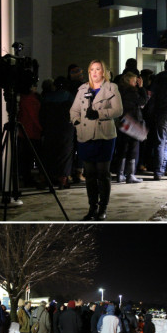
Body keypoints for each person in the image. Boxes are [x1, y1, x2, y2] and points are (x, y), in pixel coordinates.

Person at [70, 59, 123, 221]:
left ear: (103, 71)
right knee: (90, 174)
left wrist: (100, 114)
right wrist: (77, 123)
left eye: (98, 69)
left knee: (103, 173)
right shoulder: (82, 89)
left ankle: (103, 208)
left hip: (104, 135)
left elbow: (118, 110)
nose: (94, 72)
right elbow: (74, 110)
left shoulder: (111, 88)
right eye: (92, 69)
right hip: (85, 135)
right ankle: (92, 207)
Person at [39, 76, 75, 189]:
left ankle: (46, 178)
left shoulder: (47, 97)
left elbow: (41, 115)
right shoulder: (70, 97)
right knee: (65, 154)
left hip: (50, 129)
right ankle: (63, 180)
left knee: (49, 153)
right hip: (66, 129)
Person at [115, 71, 148, 183]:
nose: (136, 83)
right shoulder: (132, 91)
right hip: (132, 122)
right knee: (133, 149)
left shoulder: (119, 91)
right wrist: (142, 88)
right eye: (134, 81)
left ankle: (120, 174)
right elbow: (143, 101)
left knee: (122, 148)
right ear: (129, 81)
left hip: (122, 121)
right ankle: (130, 175)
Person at [17, 78, 42, 187]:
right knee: (31, 156)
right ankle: (28, 178)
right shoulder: (32, 99)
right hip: (32, 131)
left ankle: (26, 176)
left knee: (25, 157)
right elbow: (34, 116)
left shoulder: (21, 98)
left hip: (23, 131)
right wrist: (41, 128)